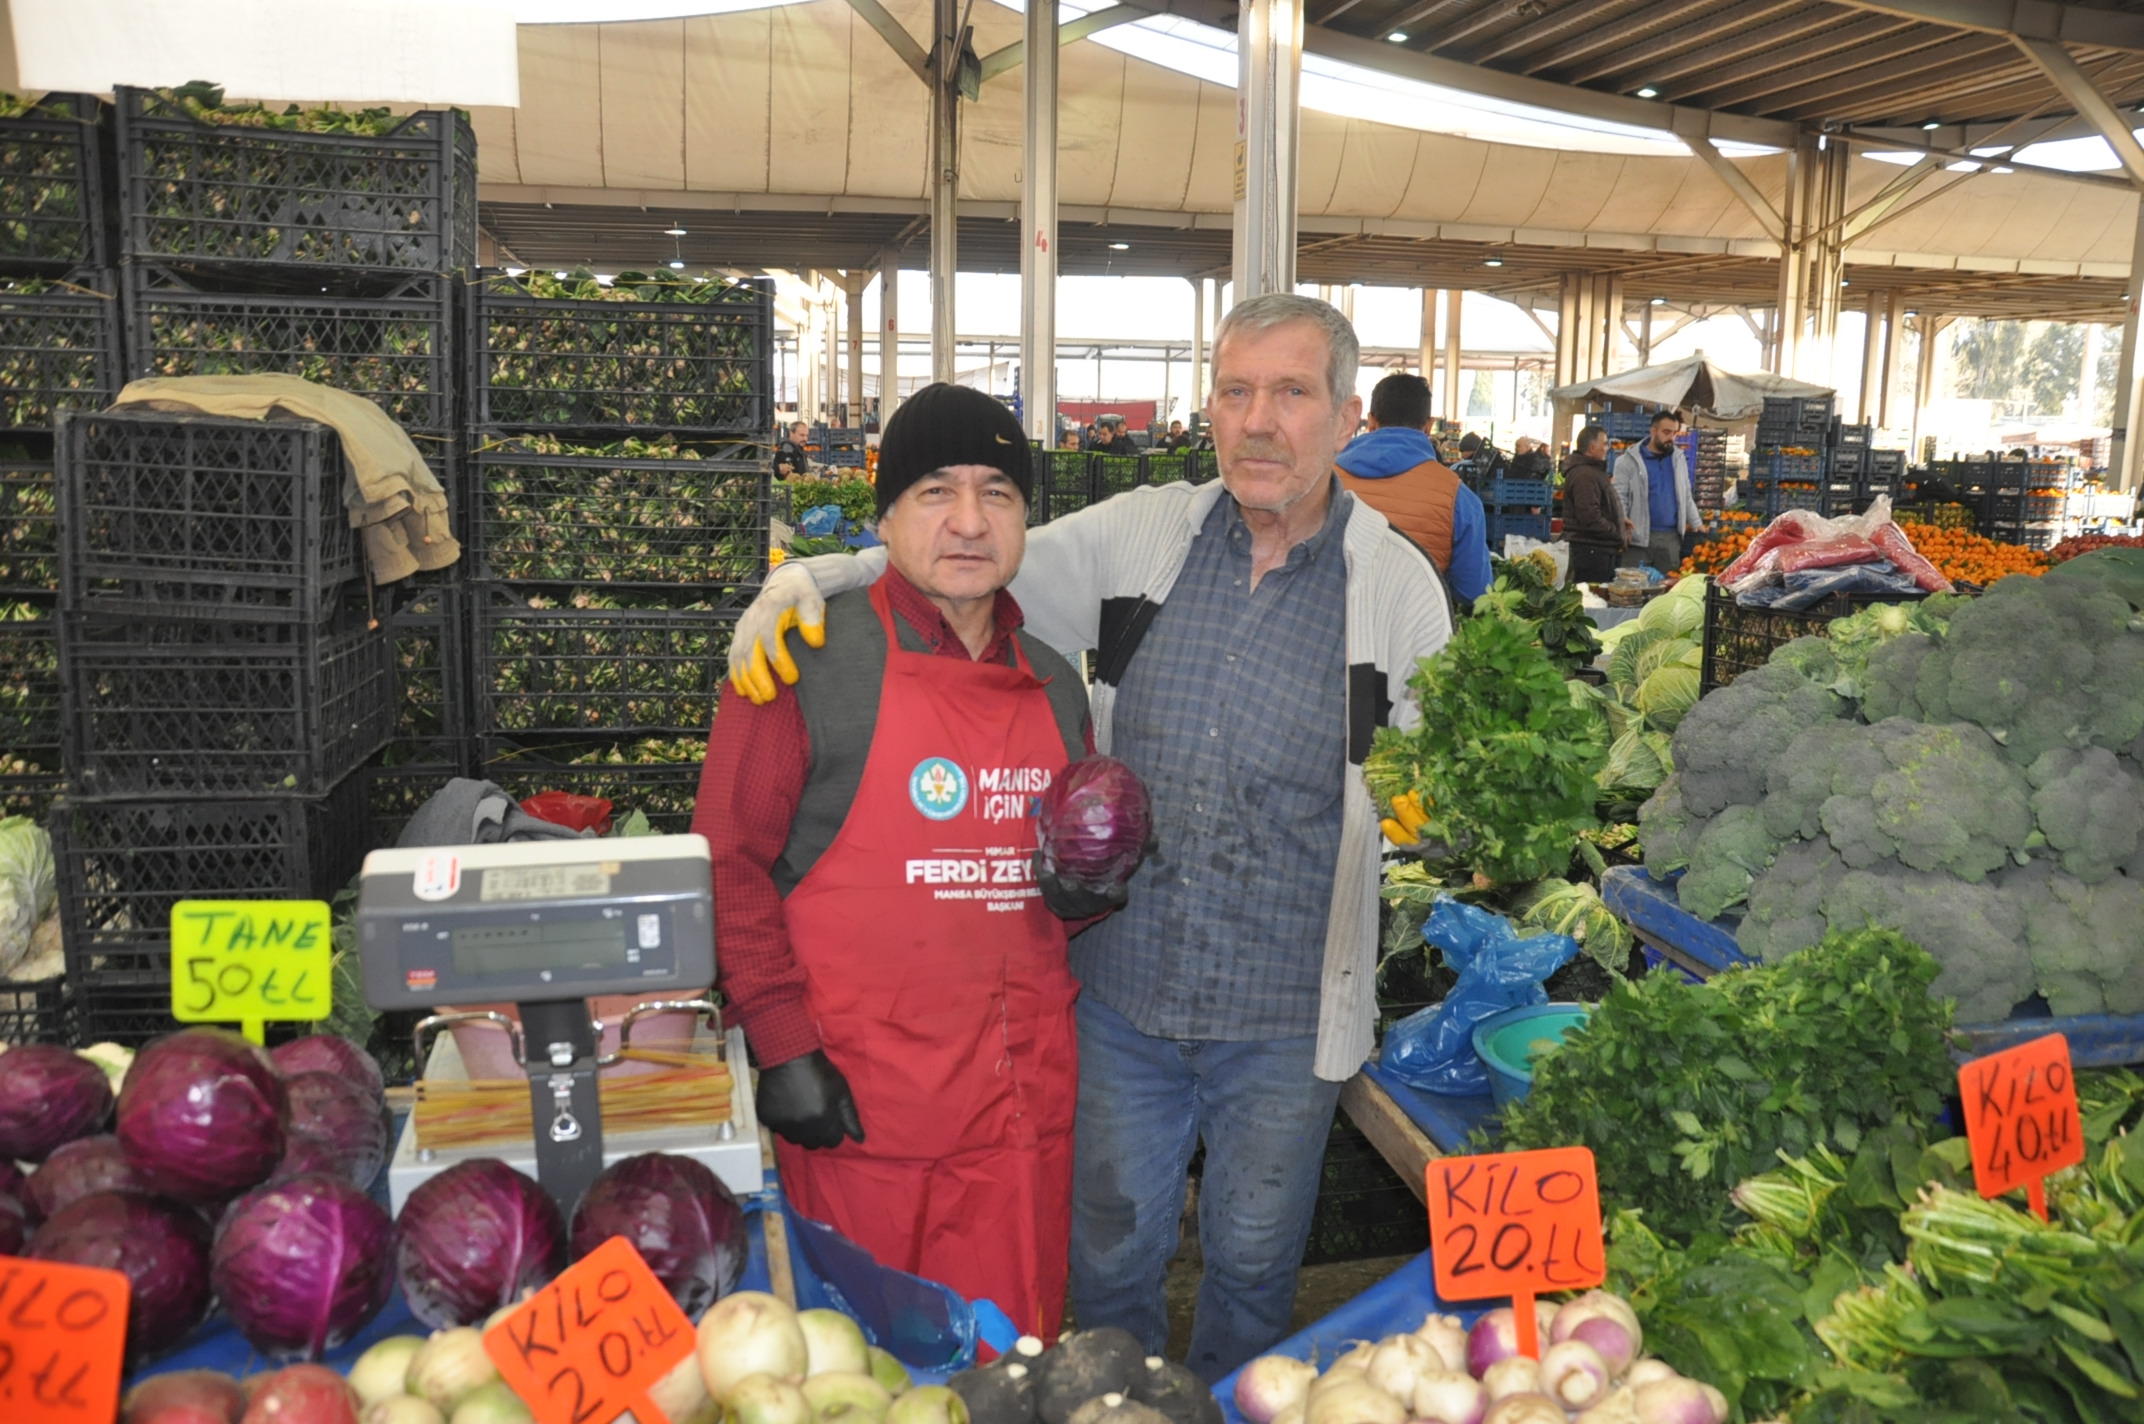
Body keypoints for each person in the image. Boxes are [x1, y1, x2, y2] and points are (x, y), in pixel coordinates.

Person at [726, 293, 1453, 1381]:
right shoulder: (1139, 535)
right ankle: (1110, 1404)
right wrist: (808, 575)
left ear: (1345, 415)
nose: (1258, 420)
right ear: (1207, 406)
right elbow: (963, 548)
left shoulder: (1394, 588)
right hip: (1121, 996)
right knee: (1111, 1255)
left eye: (1290, 393)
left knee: (1255, 1261)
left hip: (1285, 1011)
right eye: (1235, 389)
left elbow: (1426, 781)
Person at [693, 383, 1102, 1339]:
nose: (969, 521)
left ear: (1025, 520)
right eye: (935, 491)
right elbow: (729, 865)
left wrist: (1086, 892)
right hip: (864, 1114)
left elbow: (1057, 894)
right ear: (885, 516)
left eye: (998, 492)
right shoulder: (803, 661)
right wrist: (784, 1044)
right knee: (868, 1371)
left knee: (1010, 1359)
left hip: (1020, 1116)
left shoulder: (1053, 681)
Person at [1333, 372, 1492, 603]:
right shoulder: (1458, 497)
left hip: (1331, 628)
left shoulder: (1323, 481)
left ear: (1371, 422)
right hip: (1418, 633)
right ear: (1428, 426)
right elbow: (1474, 593)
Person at [1612, 410, 1706, 572]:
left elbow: (1685, 496)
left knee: (1667, 591)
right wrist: (1622, 525)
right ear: (1653, 431)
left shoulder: (1679, 459)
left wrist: (1697, 523)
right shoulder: (1627, 461)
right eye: (1666, 432)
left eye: (1675, 433)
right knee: (1632, 589)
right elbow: (1619, 496)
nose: (1671, 437)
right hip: (1638, 538)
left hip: (1671, 539)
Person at [1559, 424, 1625, 585]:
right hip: (1591, 552)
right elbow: (1589, 517)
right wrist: (1615, 531)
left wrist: (1620, 519)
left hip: (1595, 550)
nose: (1607, 448)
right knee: (1592, 601)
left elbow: (1596, 507)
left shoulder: (1590, 471)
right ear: (1592, 448)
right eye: (1604, 443)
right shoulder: (1584, 475)